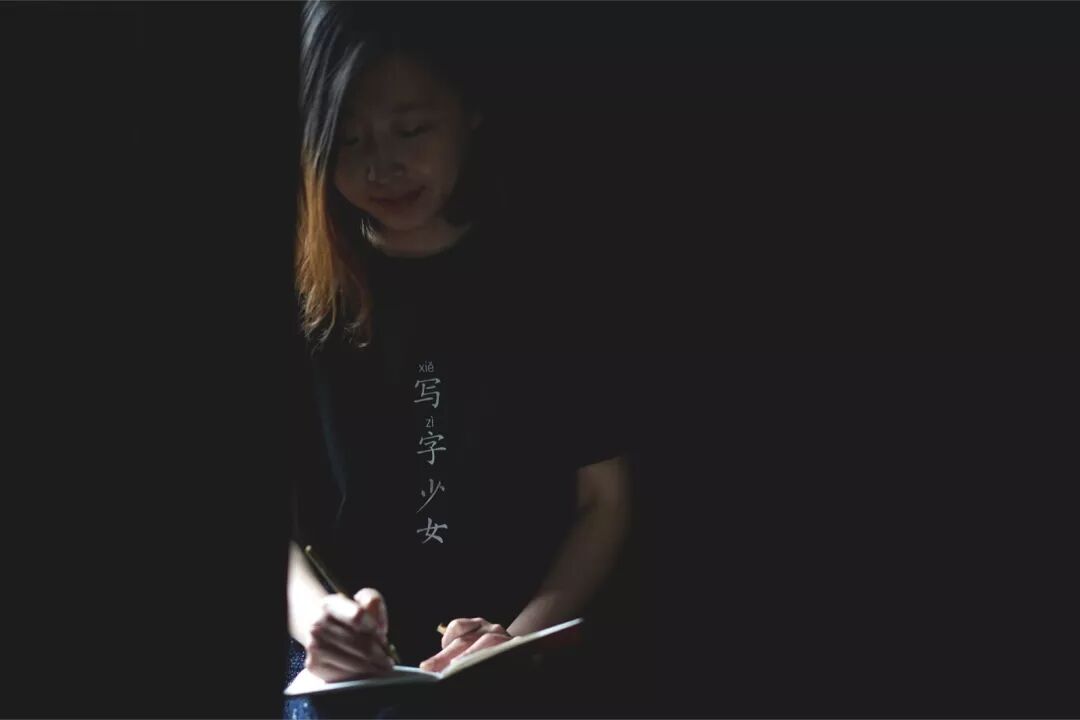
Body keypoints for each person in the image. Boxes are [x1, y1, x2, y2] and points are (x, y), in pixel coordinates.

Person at [288, 2, 632, 713]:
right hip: (343, 667)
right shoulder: (307, 288)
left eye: (411, 129)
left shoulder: (549, 277)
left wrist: (516, 641)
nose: (382, 166)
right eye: (348, 140)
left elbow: (603, 500)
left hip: (523, 648)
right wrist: (319, 622)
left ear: (469, 109)